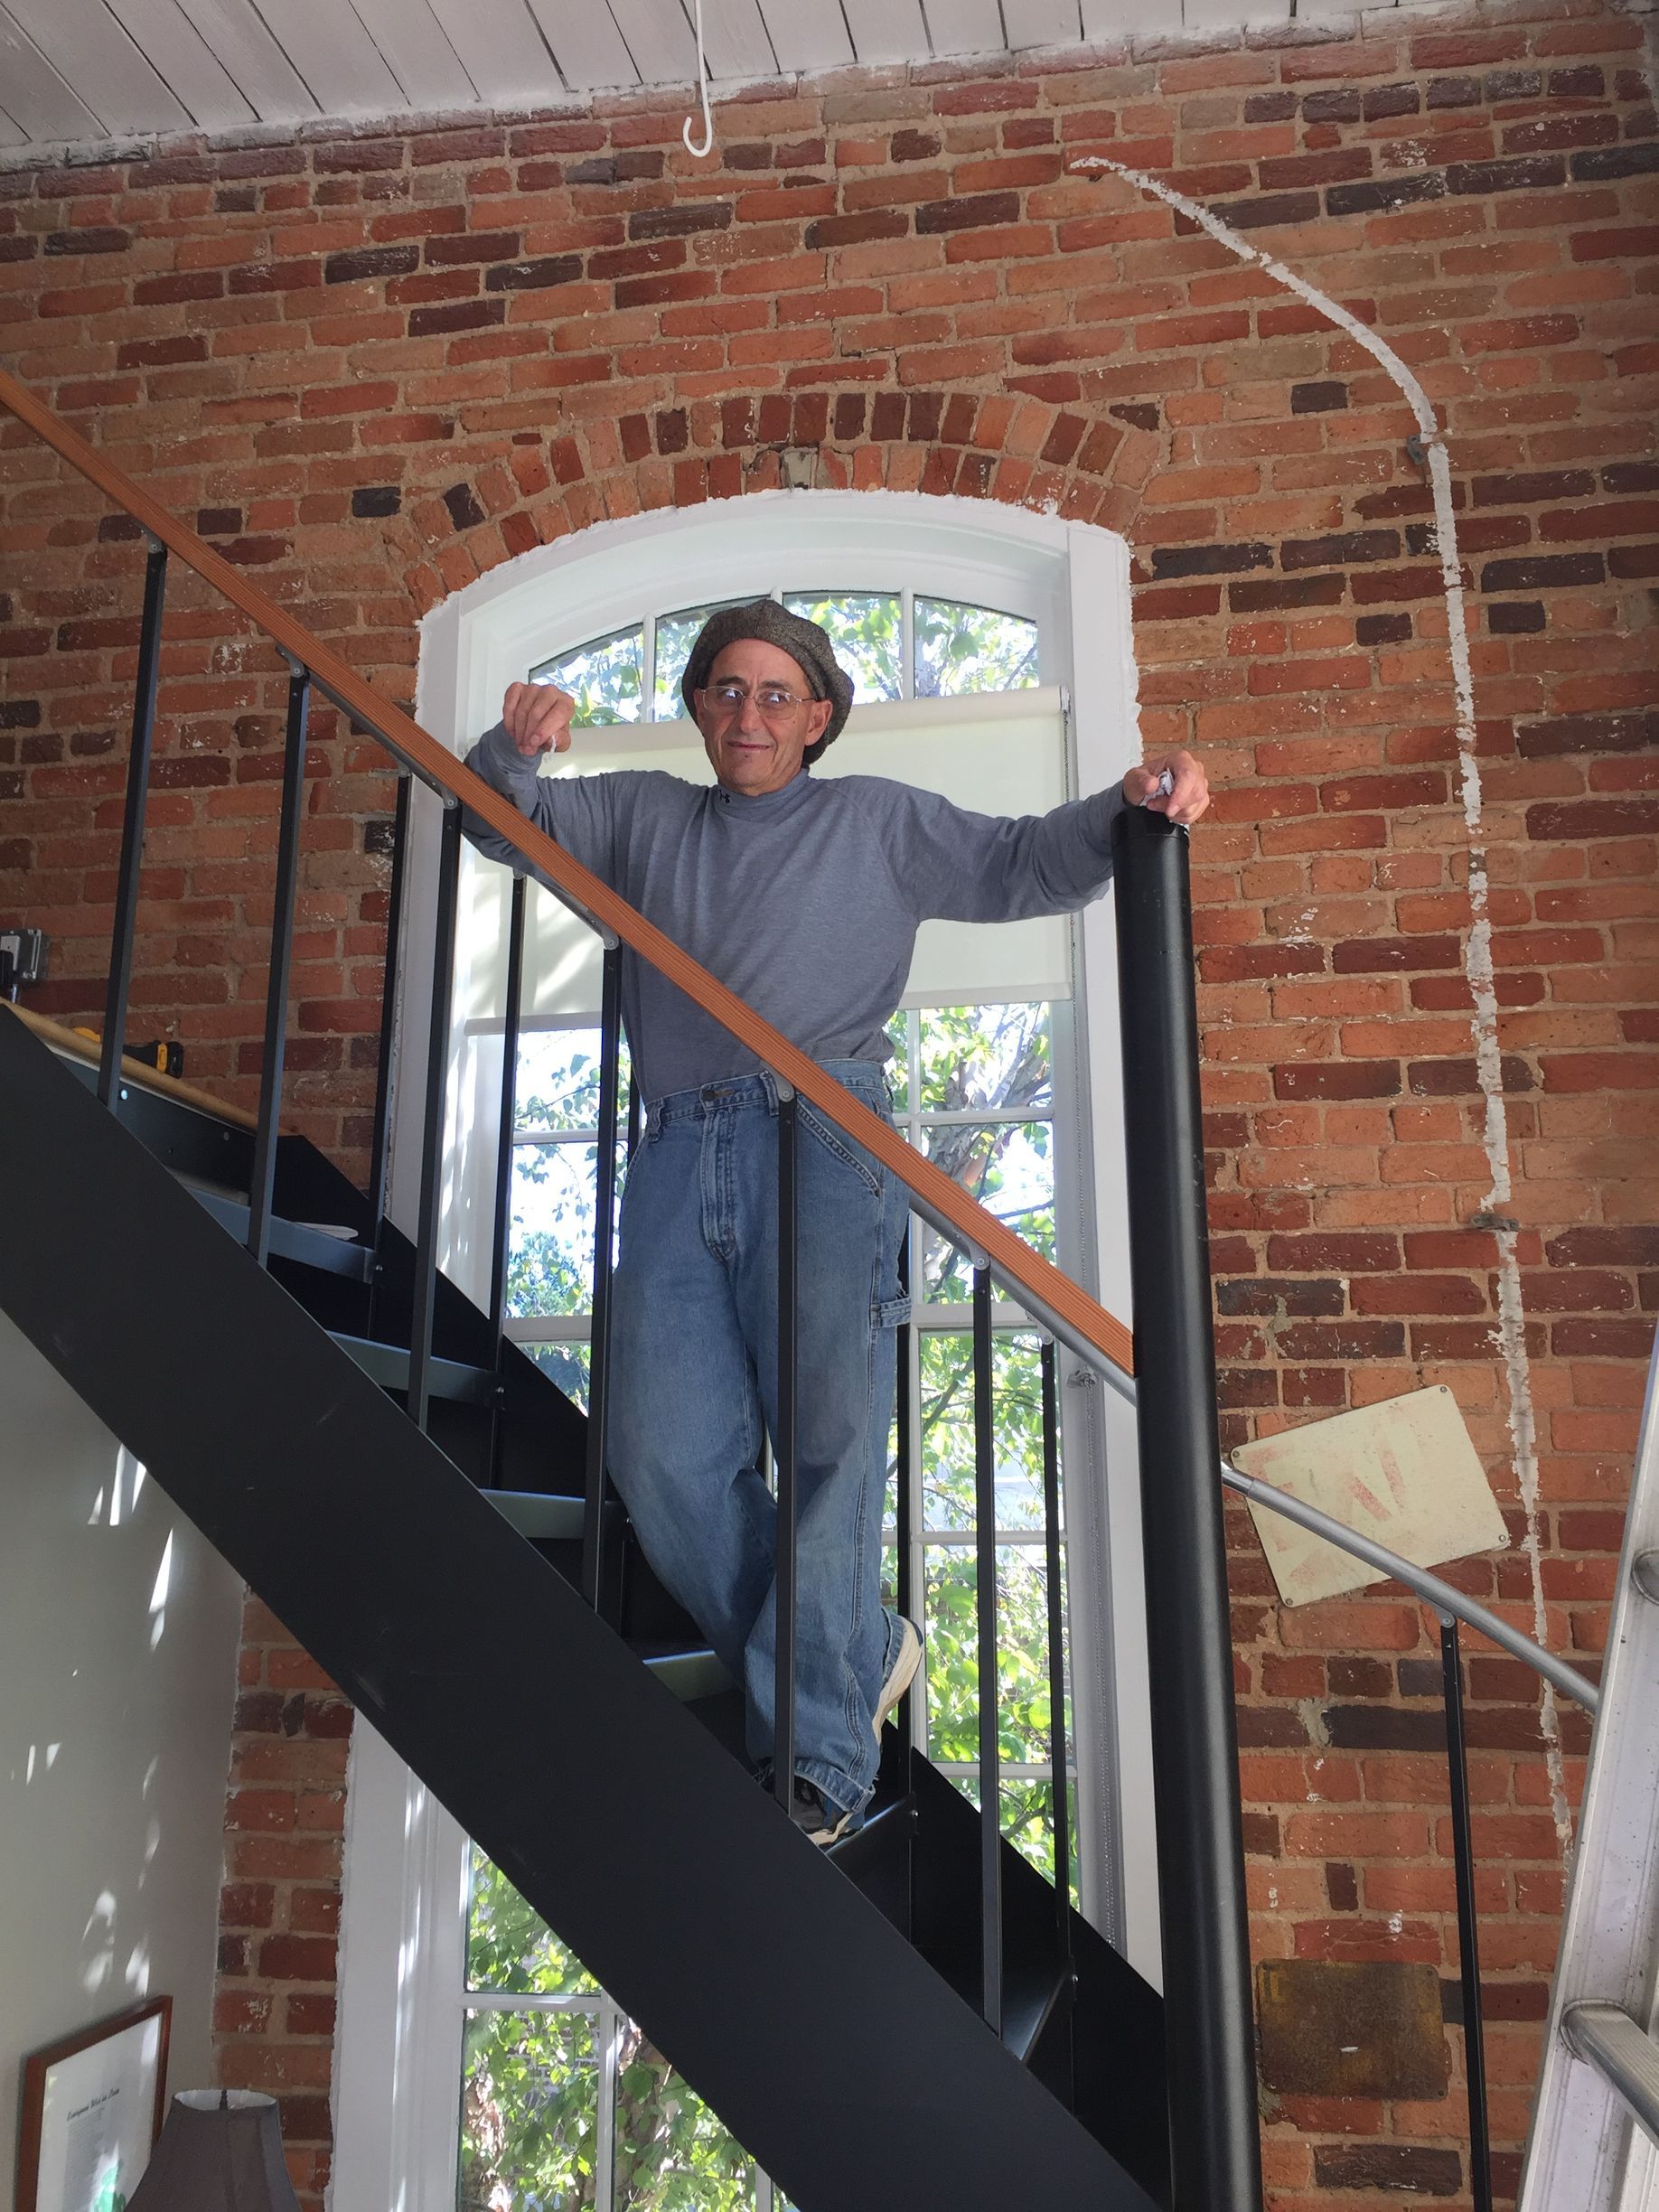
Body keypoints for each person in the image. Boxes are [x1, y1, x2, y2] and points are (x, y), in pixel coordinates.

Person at [463, 600, 1209, 1843]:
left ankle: (817, 1756)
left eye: (774, 695)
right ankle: (860, 1652)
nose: (747, 714)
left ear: (817, 717)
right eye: (724, 691)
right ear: (701, 708)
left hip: (823, 1134)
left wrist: (1136, 803)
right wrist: (518, 749)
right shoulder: (645, 815)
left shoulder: (878, 822)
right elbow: (509, 823)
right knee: (657, 1455)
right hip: (673, 1148)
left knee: (827, 1446)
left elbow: (1027, 860)